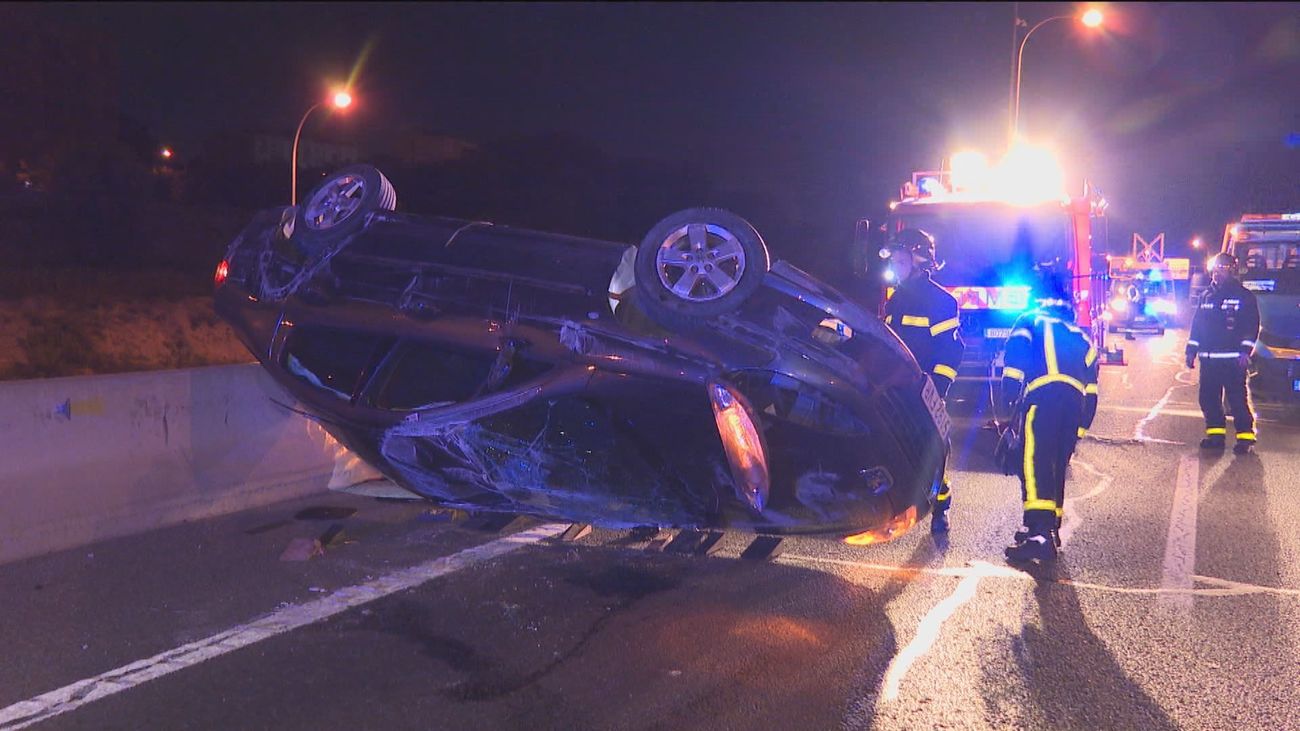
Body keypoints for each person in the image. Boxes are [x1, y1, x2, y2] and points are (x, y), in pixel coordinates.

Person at [999, 262, 1099, 563]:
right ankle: (1049, 528)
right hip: (1074, 407)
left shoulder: (1030, 321)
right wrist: (1081, 427)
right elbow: (1092, 389)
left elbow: (1015, 362)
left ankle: (1038, 535)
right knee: (1056, 465)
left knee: (1035, 464)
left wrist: (1009, 402)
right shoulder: (1081, 336)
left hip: (1043, 400)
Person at [881, 228, 964, 533]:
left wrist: (936, 389)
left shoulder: (941, 302)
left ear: (919, 262)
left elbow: (952, 350)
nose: (894, 268)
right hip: (898, 386)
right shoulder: (896, 298)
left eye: (900, 261)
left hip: (926, 387)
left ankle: (941, 504)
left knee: (932, 445)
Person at [1185, 252, 1261, 455]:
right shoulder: (1206, 296)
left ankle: (1245, 437)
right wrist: (1191, 351)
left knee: (1236, 400)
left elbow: (1251, 326)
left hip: (1233, 360)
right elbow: (1197, 327)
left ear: (1232, 271)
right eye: (1215, 269)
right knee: (1208, 398)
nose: (1217, 273)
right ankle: (1215, 436)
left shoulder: (1243, 296)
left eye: (1223, 269)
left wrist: (1245, 351)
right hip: (1209, 360)